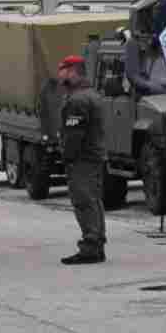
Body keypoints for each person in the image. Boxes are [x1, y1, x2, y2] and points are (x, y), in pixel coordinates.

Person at [50, 53, 107, 266]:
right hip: (93, 157)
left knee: (84, 201)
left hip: (82, 159)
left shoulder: (78, 100)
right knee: (94, 200)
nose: (59, 75)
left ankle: (91, 246)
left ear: (72, 72)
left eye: (62, 70)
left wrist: (66, 156)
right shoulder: (92, 94)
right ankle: (97, 243)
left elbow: (74, 135)